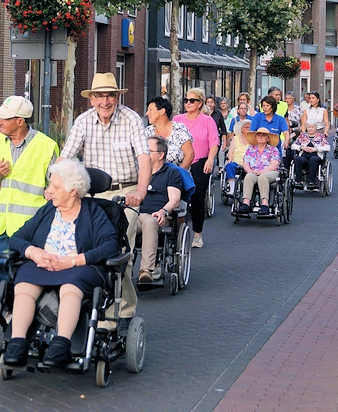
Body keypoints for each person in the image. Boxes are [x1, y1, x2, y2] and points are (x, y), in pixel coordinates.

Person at [2, 160, 120, 369]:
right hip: (43, 264)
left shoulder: (93, 213)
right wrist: (33, 252)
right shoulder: (48, 210)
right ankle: (17, 344)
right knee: (24, 282)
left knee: (71, 286)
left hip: (78, 268)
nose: (50, 192)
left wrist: (74, 260)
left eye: (55, 188)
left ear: (73, 190)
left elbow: (111, 245)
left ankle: (60, 345)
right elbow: (18, 237)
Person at [60, 72, 150, 326]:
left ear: (117, 98)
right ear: (91, 99)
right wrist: (54, 186)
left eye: (110, 96)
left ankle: (121, 310)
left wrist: (140, 192)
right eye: (99, 96)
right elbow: (66, 157)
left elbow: (144, 158)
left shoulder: (131, 119)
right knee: (84, 249)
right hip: (92, 195)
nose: (105, 101)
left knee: (119, 251)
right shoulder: (83, 121)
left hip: (125, 194)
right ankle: (87, 301)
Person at [0, 95, 57, 286]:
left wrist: (51, 191)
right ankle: (9, 302)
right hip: (1, 220)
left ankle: (18, 306)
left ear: (20, 121)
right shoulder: (0, 141)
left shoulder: (46, 145)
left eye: (4, 118)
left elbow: (54, 183)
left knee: (27, 272)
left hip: (30, 223)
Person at [173, 87, 220, 249]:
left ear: (200, 103)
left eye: (192, 100)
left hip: (200, 162)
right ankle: (177, 232)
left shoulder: (207, 120)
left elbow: (214, 142)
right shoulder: (178, 119)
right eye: (186, 100)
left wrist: (211, 160)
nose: (188, 103)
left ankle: (197, 234)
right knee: (177, 196)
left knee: (197, 197)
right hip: (181, 162)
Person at [136, 136, 184, 284]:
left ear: (160, 154)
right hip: (136, 215)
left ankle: (146, 270)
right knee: (121, 222)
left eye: (148, 151)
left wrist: (163, 211)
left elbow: (175, 199)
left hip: (158, 217)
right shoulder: (137, 172)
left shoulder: (171, 173)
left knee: (150, 221)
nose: (143, 154)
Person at [235, 128, 280, 217]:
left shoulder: (273, 149)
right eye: (258, 135)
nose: (260, 137)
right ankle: (246, 204)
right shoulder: (251, 149)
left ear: (268, 139)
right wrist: (250, 171)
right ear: (255, 138)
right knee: (248, 176)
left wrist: (263, 171)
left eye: (263, 136)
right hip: (254, 171)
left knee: (263, 177)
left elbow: (275, 164)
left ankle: (265, 205)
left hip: (270, 172)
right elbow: (246, 163)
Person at [144, 96, 193, 168]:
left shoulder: (179, 129)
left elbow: (190, 154)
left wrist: (177, 174)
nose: (147, 113)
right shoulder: (148, 132)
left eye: (150, 110)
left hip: (177, 176)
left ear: (162, 111)